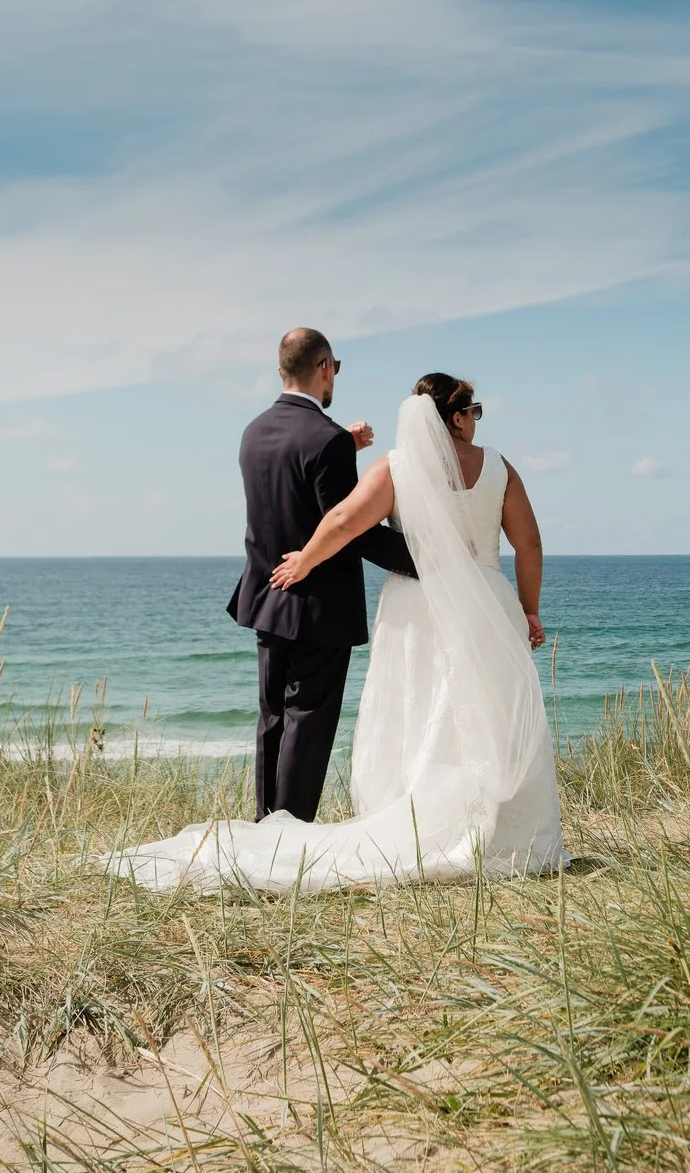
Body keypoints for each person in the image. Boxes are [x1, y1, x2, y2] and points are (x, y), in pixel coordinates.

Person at [104, 370, 563, 893]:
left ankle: (423, 824)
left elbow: (345, 520)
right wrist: (529, 610)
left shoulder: (398, 467)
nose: (476, 422)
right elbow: (530, 544)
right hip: (488, 603)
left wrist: (306, 558)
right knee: (490, 713)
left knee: (419, 709)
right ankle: (505, 833)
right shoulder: (498, 467)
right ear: (456, 418)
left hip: (419, 606)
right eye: (473, 412)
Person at [223, 328, 416, 823]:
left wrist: (342, 446)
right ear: (325, 366)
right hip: (317, 607)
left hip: (266, 597)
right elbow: (351, 529)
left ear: (281, 370)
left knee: (273, 719)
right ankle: (288, 837)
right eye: (336, 369)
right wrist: (427, 558)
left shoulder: (253, 431)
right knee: (306, 723)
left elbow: (290, 490)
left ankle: (265, 827)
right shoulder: (326, 439)